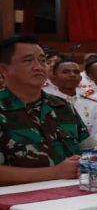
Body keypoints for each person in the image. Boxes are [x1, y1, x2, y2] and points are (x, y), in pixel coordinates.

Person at [0, 36, 91, 186]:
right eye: (28, 60)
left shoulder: (62, 106)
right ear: (4, 70)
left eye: (43, 60)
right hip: (20, 198)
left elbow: (90, 150)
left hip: (74, 194)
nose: (39, 67)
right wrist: (55, 173)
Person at [49, 56, 97, 143]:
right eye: (65, 72)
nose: (72, 75)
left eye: (76, 72)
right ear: (54, 78)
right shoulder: (47, 104)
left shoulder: (92, 104)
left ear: (80, 78)